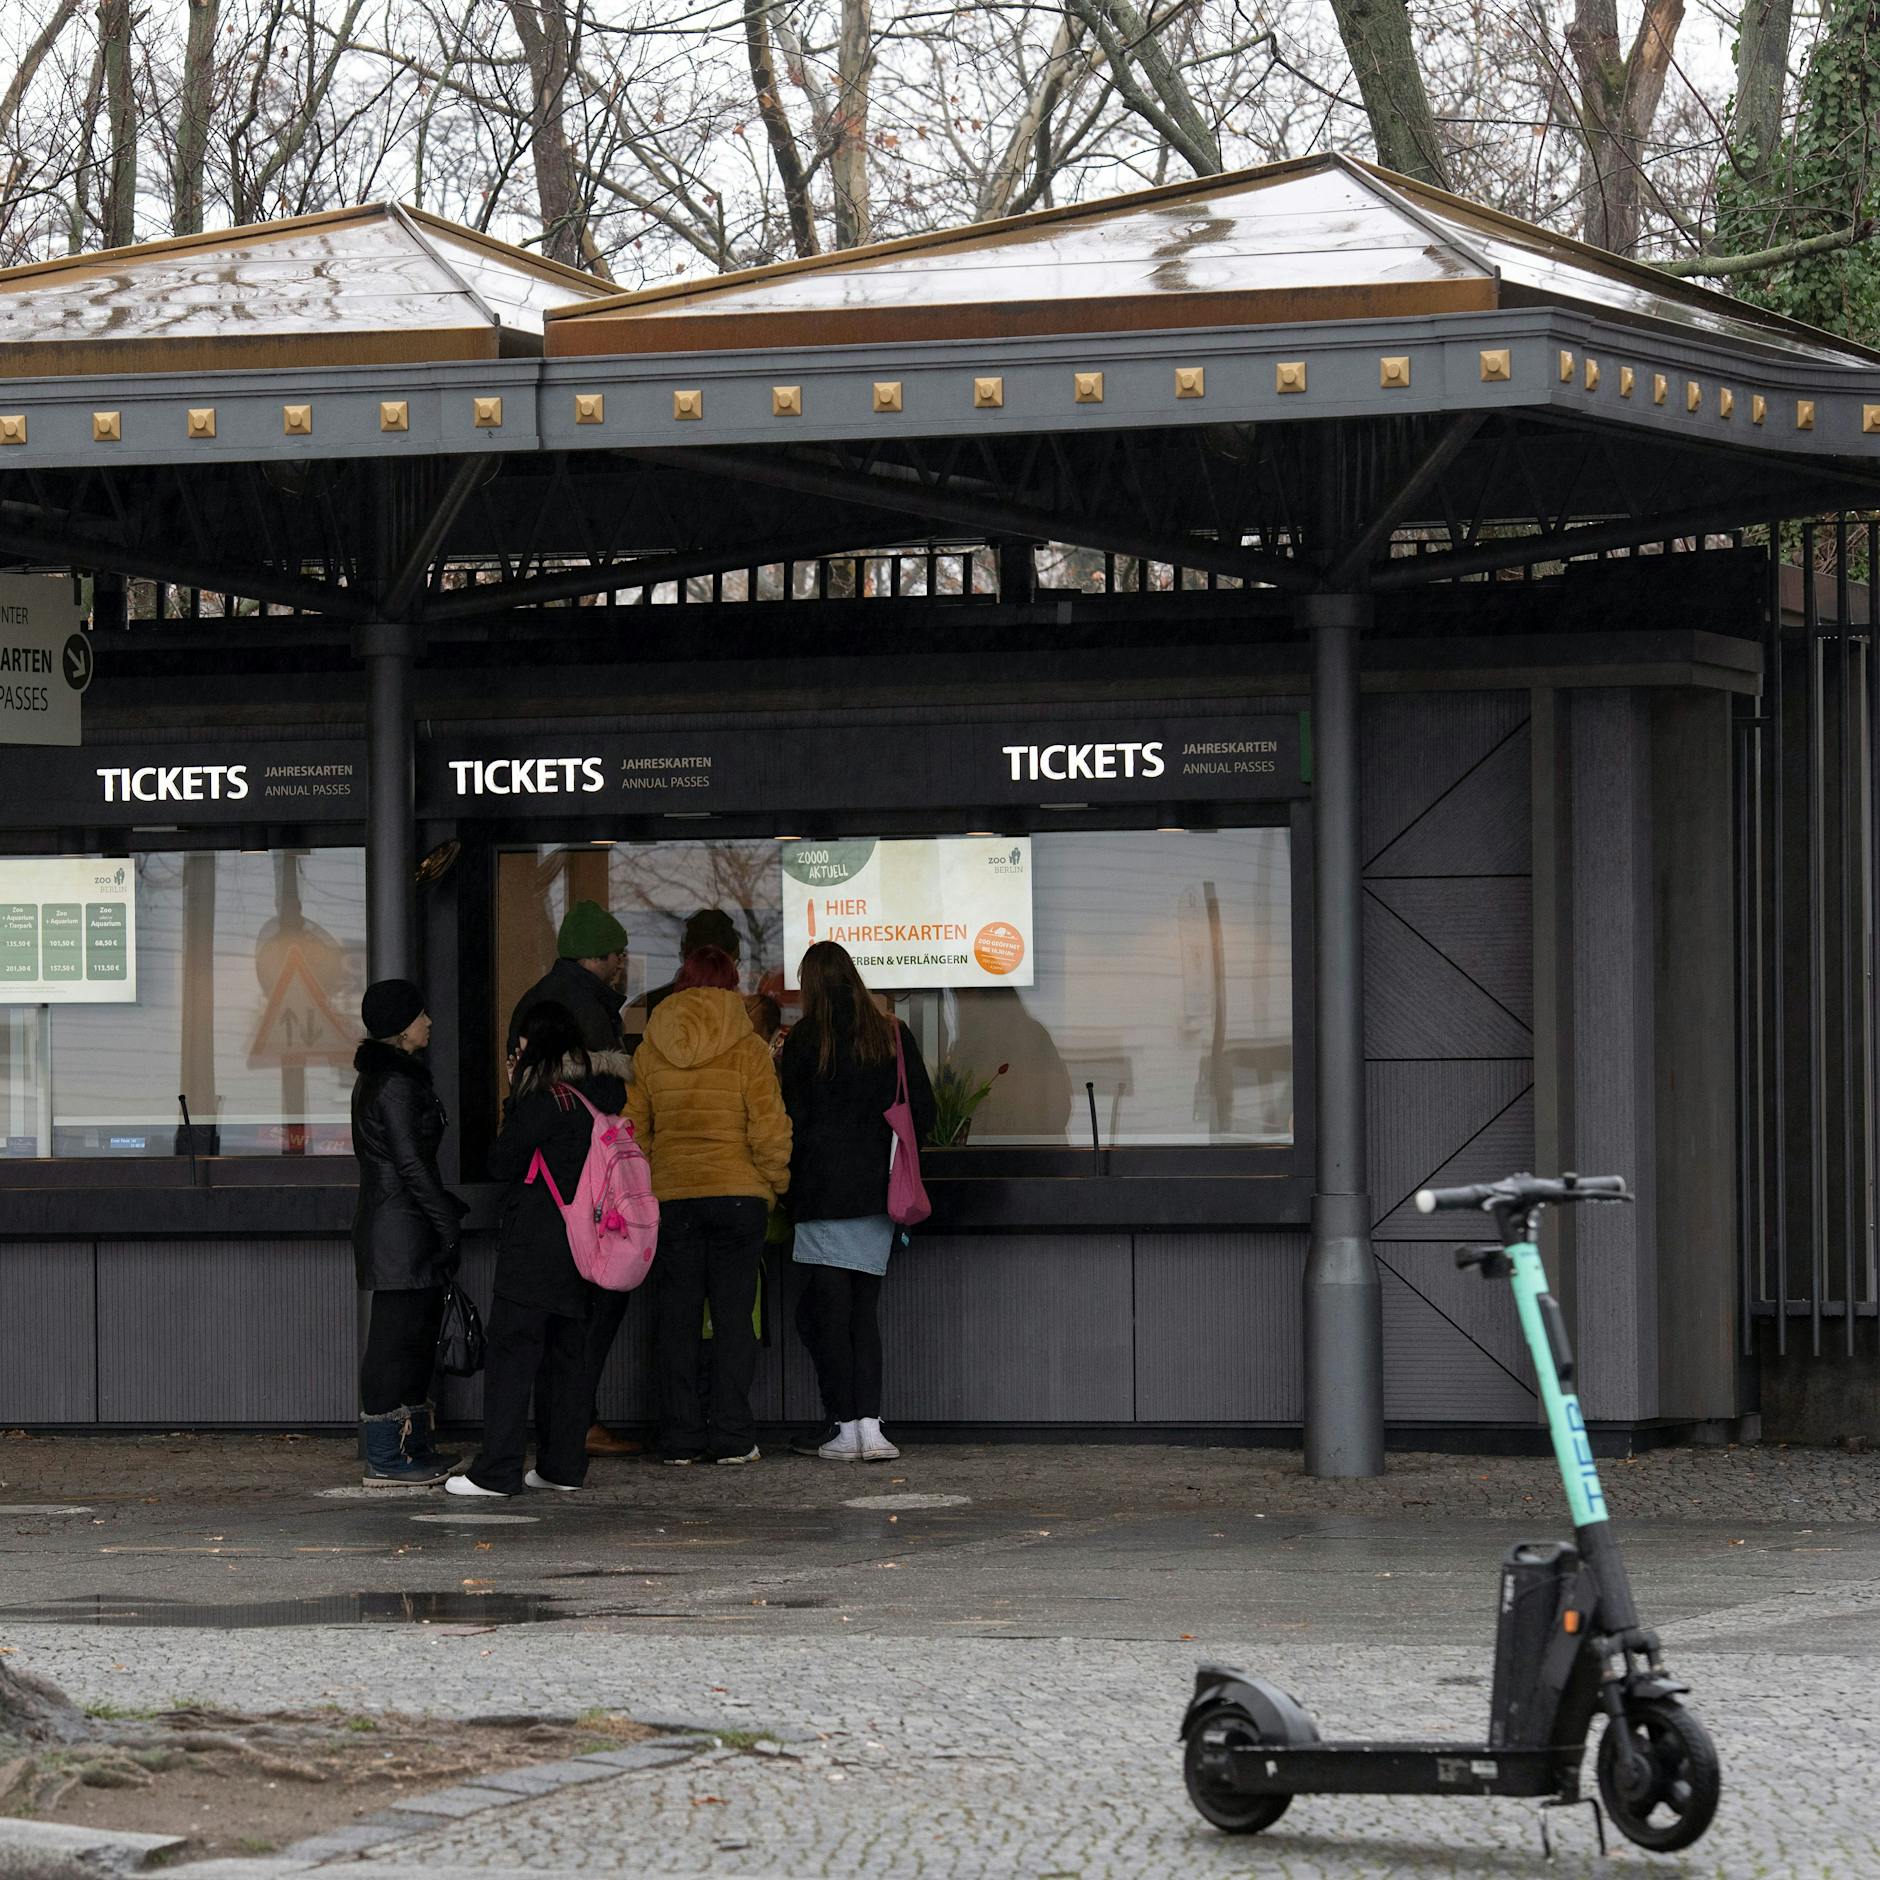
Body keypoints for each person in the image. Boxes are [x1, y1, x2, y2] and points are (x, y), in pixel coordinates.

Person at [448, 1004, 628, 1499]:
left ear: (536, 1046)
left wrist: (514, 1094)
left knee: (512, 1357)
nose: (515, 1055)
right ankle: (563, 1466)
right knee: (568, 1359)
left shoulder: (543, 1101)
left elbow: (502, 1161)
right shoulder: (598, 1099)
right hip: (585, 1250)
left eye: (520, 1046)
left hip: (536, 1249)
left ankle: (498, 1471)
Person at [626, 944, 791, 1464]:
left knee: (675, 1319)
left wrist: (656, 1180)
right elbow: (769, 1127)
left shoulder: (651, 1046)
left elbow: (634, 1132)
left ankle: (679, 1438)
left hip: (673, 1199)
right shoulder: (748, 1045)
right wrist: (772, 1181)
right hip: (738, 1198)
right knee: (734, 1320)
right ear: (731, 983)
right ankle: (733, 1437)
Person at [780, 942, 936, 1463]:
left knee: (827, 1315)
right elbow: (926, 1110)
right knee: (862, 1315)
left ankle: (845, 1426)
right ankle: (871, 1427)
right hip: (878, 1193)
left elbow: (789, 1119)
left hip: (820, 1193)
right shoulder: (890, 1032)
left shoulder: (805, 1040)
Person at [504, 898, 640, 1460]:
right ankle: (573, 1425)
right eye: (618, 955)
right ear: (597, 957)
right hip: (585, 1182)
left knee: (553, 1315)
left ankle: (566, 1426)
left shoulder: (534, 1000)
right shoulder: (586, 1009)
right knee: (591, 1302)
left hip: (542, 1185)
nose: (623, 965)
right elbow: (602, 1100)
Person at [351, 978, 466, 1486]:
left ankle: (410, 1445)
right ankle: (386, 1455)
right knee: (395, 1341)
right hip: (401, 1227)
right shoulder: (394, 1084)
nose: (430, 1022)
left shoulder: (396, 1078)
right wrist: (446, 1224)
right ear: (401, 1028)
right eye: (421, 1015)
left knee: (415, 1338)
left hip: (404, 1223)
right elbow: (411, 1164)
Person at [623, 907, 741, 1051]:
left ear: (684, 953)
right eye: (734, 963)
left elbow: (628, 1065)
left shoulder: (642, 1007)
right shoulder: (739, 1018)